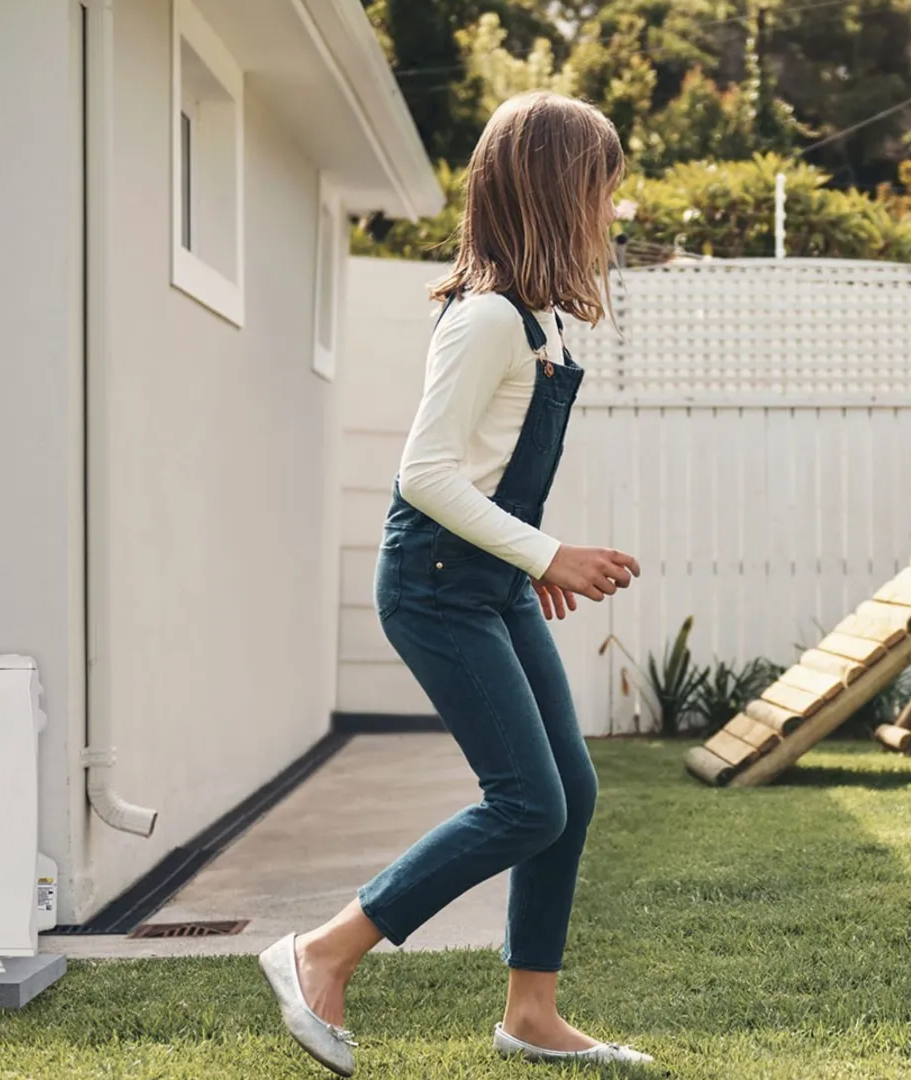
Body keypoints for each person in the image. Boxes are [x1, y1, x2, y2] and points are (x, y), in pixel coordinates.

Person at [258, 90, 652, 1075]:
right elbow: (424, 474)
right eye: (604, 189)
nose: (615, 210)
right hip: (435, 584)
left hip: (488, 580)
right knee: (527, 800)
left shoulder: (545, 323)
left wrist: (531, 556)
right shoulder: (485, 321)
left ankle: (531, 1013)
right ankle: (320, 952)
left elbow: (481, 471)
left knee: (571, 790)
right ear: (560, 193)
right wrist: (543, 551)